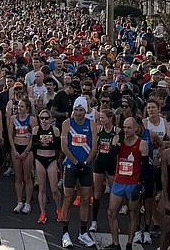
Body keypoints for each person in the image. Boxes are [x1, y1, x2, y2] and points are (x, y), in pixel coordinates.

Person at [107, 115, 150, 250]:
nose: (126, 130)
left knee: (133, 213)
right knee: (111, 212)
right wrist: (117, 144)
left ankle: (130, 243)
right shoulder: (118, 140)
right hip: (119, 181)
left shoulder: (141, 144)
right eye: (124, 127)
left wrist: (140, 184)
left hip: (133, 182)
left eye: (129, 128)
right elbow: (109, 158)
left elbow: (145, 167)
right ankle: (115, 243)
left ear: (136, 128)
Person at [60, 96, 98, 248]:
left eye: (81, 110)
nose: (78, 113)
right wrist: (76, 162)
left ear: (85, 111)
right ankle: (65, 233)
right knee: (68, 198)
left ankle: (83, 232)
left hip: (85, 166)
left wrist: (86, 162)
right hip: (71, 165)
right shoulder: (67, 123)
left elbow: (94, 146)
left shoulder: (92, 124)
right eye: (76, 109)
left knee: (85, 199)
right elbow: (64, 146)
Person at [32, 108, 61, 224]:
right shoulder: (36, 130)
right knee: (42, 188)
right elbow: (33, 146)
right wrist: (39, 143)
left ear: (50, 119)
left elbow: (58, 147)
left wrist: (51, 143)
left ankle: (59, 209)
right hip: (39, 158)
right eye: (42, 118)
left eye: (46, 118)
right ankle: (42, 212)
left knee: (54, 189)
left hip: (51, 158)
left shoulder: (55, 130)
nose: (44, 120)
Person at [90, 108, 116, 233]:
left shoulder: (117, 131)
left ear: (110, 119)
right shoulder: (99, 130)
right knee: (97, 193)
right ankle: (94, 221)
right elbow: (94, 146)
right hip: (99, 162)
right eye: (100, 118)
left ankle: (113, 221)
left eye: (103, 118)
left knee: (113, 194)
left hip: (112, 164)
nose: (100, 120)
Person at [9, 97, 37, 214]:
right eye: (18, 106)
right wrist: (14, 150)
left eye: (22, 106)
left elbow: (34, 137)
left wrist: (26, 151)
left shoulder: (32, 120)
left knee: (27, 177)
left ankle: (28, 203)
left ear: (27, 108)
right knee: (18, 177)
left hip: (27, 150)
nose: (19, 108)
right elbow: (10, 135)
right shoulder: (13, 118)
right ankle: (19, 201)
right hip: (16, 148)